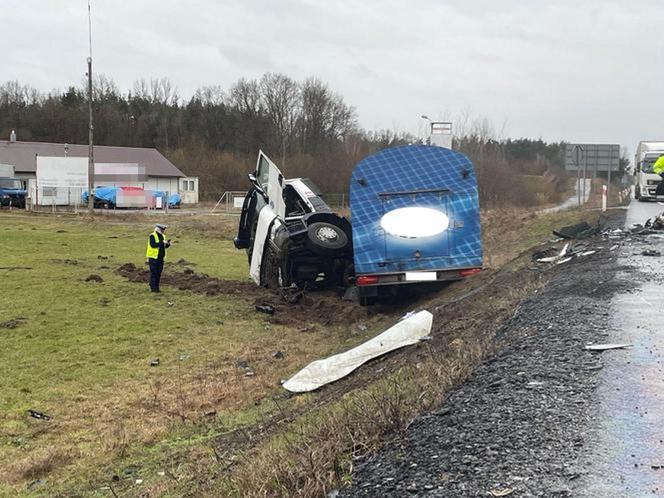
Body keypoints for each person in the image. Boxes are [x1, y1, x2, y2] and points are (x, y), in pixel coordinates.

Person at [146, 223, 171, 293]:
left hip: (161, 258)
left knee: (158, 273)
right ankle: (153, 288)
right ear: (158, 229)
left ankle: (156, 287)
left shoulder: (163, 236)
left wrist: (167, 245)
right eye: (162, 230)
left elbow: (163, 246)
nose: (163, 231)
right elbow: (153, 245)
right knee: (154, 273)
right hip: (153, 258)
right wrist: (162, 243)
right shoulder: (152, 236)